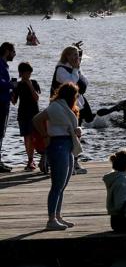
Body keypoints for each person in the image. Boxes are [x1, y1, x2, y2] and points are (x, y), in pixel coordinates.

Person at [32, 82, 83, 230]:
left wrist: (77, 130)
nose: (77, 97)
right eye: (75, 94)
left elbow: (69, 126)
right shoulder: (55, 107)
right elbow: (36, 120)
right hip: (58, 144)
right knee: (57, 185)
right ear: (70, 95)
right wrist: (45, 135)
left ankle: (58, 216)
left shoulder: (68, 108)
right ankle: (51, 219)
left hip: (68, 144)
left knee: (63, 185)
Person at [50, 46, 90, 174]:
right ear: (66, 56)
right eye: (73, 55)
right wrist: (76, 69)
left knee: (77, 133)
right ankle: (69, 164)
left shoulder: (73, 68)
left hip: (76, 105)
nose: (76, 57)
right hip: (64, 107)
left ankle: (75, 162)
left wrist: (77, 69)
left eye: (77, 55)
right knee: (68, 134)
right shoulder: (61, 70)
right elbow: (71, 82)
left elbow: (84, 81)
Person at [11, 62, 41, 171]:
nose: (28, 75)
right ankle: (30, 160)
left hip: (34, 114)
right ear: (21, 73)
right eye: (26, 73)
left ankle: (39, 158)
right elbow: (14, 101)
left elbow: (37, 98)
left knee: (35, 137)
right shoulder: (18, 85)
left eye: (30, 73)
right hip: (23, 113)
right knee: (27, 137)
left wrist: (30, 85)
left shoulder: (34, 82)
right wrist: (11, 90)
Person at [0, 42, 16, 172]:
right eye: (13, 51)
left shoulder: (4, 65)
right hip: (0, 103)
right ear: (7, 51)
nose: (14, 54)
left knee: (1, 133)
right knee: (0, 133)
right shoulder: (0, 64)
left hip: (4, 102)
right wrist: (11, 85)